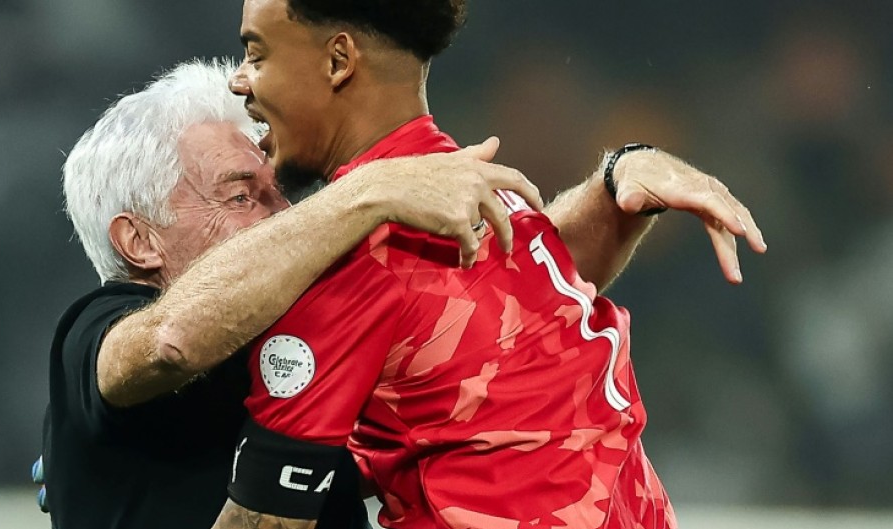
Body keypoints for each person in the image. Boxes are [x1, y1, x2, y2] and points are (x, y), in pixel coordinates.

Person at [215, 1, 766, 529]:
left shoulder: (349, 261)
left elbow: (270, 519)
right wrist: (623, 168)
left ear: (339, 60)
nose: (239, 81)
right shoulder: (497, 204)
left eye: (256, 55)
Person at [44, 58, 545, 529]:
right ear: (139, 241)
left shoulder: (301, 333)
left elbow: (504, 285)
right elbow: (171, 341)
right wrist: (371, 190)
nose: (284, 216)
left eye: (278, 192)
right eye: (240, 196)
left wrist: (587, 207)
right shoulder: (93, 330)